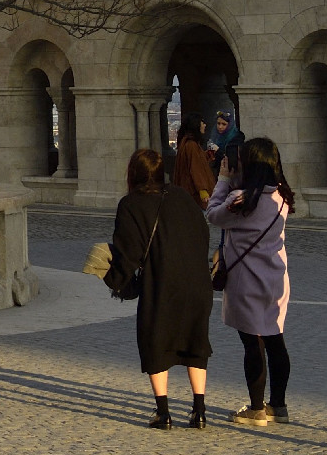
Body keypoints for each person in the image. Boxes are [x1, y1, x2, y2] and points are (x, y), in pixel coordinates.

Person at [106, 147, 214, 428]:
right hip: (196, 281)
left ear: (134, 174)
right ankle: (199, 411)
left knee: (156, 340)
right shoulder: (180, 196)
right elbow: (203, 233)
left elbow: (127, 251)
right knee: (195, 340)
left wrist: (114, 278)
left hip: (161, 282)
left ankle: (163, 413)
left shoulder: (130, 204)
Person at [208, 137, 295, 425]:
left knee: (252, 344)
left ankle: (256, 407)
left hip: (246, 279)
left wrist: (223, 180)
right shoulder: (281, 197)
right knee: (275, 340)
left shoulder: (241, 201)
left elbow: (212, 214)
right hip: (275, 277)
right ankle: (278, 405)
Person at [171, 119, 216, 205]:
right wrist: (203, 190)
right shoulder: (191, 145)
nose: (205, 125)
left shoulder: (188, 143)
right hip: (195, 195)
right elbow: (196, 168)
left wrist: (209, 154)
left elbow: (198, 160)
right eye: (202, 123)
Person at [209, 110, 247, 174]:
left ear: (230, 125)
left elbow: (232, 161)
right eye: (218, 123)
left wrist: (218, 150)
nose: (220, 127)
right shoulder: (216, 136)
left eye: (224, 124)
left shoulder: (236, 139)